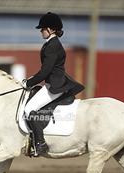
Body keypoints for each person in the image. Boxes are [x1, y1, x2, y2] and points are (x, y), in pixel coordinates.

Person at [21, 12, 84, 156]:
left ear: (51, 29)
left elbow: (45, 72)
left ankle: (40, 144)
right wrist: (31, 79)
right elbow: (45, 71)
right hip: (53, 82)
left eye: (43, 29)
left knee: (29, 109)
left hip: (54, 86)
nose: (41, 31)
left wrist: (28, 83)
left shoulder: (52, 46)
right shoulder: (51, 44)